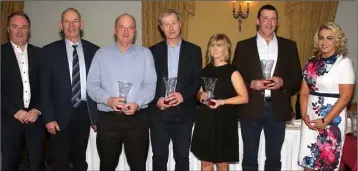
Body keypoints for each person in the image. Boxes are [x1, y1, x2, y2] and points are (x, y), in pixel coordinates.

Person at [232, 4, 302, 171]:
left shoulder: (289, 46)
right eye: (265, 18)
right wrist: (251, 84)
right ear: (258, 21)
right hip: (250, 108)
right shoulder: (243, 46)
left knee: (274, 159)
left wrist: (282, 82)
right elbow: (234, 78)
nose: (269, 23)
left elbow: (297, 79)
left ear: (277, 22)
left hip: (278, 109)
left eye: (273, 19)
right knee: (249, 158)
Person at [87, 13, 157, 171]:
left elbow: (150, 86)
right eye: (122, 27)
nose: (126, 32)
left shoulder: (145, 54)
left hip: (137, 120)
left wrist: (137, 104)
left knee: (139, 166)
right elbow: (92, 85)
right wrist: (108, 100)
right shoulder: (101, 55)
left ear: (135, 31)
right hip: (108, 120)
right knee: (107, 166)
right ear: (114, 30)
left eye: (130, 28)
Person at [40, 8, 99, 171]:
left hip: (84, 113)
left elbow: (98, 85)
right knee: (60, 161)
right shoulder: (48, 51)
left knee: (81, 160)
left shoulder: (94, 51)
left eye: (74, 21)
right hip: (58, 117)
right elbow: (44, 88)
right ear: (61, 25)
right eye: (67, 21)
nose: (71, 25)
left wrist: (95, 116)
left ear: (81, 24)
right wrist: (48, 118)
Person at [149, 9, 202, 171]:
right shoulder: (151, 52)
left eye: (173, 23)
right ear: (160, 28)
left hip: (184, 113)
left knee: (182, 158)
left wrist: (182, 95)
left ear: (180, 24)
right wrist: (157, 100)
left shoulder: (194, 50)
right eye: (166, 24)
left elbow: (197, 81)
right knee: (159, 158)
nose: (171, 28)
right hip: (159, 114)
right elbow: (147, 82)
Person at [298, 22, 355, 171]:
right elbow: (304, 92)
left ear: (337, 40)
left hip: (331, 120)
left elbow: (346, 97)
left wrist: (325, 120)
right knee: (308, 163)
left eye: (329, 38)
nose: (324, 42)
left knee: (326, 165)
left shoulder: (343, 63)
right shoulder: (310, 62)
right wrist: (304, 115)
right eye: (321, 38)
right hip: (310, 119)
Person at [190, 33, 248, 171]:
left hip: (224, 121)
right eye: (212, 45)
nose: (214, 48)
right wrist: (200, 95)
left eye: (219, 45)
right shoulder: (204, 71)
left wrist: (222, 102)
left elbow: (244, 97)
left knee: (221, 163)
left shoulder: (233, 71)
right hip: (205, 120)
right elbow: (198, 94)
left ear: (226, 49)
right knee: (205, 163)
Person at [1, 12, 44, 171]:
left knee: (37, 164)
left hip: (35, 120)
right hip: (8, 120)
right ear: (8, 29)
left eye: (24, 27)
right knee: (9, 164)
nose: (19, 31)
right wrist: (14, 111)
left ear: (29, 30)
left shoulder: (40, 54)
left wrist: (38, 109)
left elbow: (45, 87)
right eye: (15, 27)